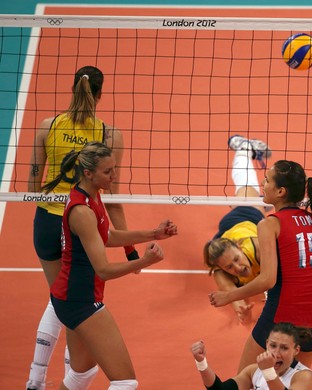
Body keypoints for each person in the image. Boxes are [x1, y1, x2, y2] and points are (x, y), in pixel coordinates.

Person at [26, 66, 138, 390]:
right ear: (100, 94)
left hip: (47, 223)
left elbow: (33, 185)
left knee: (58, 296)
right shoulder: (109, 135)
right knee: (75, 304)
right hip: (82, 223)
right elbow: (112, 198)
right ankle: (72, 378)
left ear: (73, 87)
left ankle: (35, 379)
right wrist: (130, 250)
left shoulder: (48, 126)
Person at [45, 141, 178, 390]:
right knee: (125, 382)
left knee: (80, 375)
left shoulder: (91, 195)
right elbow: (103, 270)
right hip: (79, 301)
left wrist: (154, 233)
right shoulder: (82, 212)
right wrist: (143, 262)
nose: (114, 176)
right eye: (108, 171)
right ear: (88, 173)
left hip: (71, 297)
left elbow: (106, 236)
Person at [209, 160, 312, 372]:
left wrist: (228, 296)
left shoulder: (270, 224)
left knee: (244, 380)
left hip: (283, 312)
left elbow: (267, 280)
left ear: (281, 191)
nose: (263, 185)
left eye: (266, 180)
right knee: (295, 381)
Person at [203, 134, 272, 324]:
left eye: (236, 259)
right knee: (253, 195)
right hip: (225, 235)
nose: (238, 267)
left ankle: (243, 149)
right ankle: (244, 151)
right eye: (229, 267)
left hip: (244, 217)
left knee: (247, 189)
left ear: (240, 247)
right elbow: (232, 295)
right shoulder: (222, 273)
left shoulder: (258, 247)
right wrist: (239, 307)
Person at [190, 322, 312, 390]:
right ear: (266, 343)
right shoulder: (254, 371)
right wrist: (202, 362)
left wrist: (269, 372)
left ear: (296, 350)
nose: (276, 353)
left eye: (284, 348)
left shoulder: (304, 377)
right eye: (273, 345)